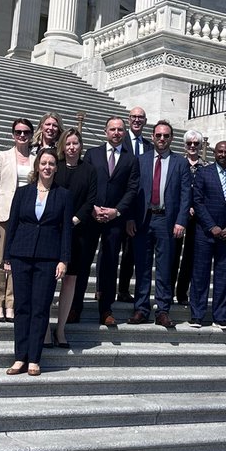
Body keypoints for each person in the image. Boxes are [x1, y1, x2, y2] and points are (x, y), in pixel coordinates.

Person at [3, 149, 72, 377]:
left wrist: (63, 259)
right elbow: (12, 224)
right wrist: (7, 257)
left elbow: (65, 231)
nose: (47, 167)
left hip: (48, 258)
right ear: (37, 167)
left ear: (56, 167)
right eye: (43, 163)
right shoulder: (23, 193)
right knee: (22, 307)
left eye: (52, 163)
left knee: (41, 309)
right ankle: (19, 357)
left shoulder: (63, 195)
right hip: (21, 255)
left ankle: (34, 358)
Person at [75, 116, 140, 328]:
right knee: (82, 262)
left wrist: (117, 211)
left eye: (120, 130)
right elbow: (84, 182)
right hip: (91, 218)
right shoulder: (92, 154)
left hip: (114, 220)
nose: (116, 133)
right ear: (105, 131)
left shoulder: (131, 159)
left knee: (110, 264)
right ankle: (75, 306)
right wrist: (91, 207)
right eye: (112, 129)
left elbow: (132, 189)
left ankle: (106, 310)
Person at [129, 120, 191, 329]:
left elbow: (185, 194)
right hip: (144, 219)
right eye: (158, 135)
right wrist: (130, 217)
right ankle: (141, 308)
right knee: (142, 266)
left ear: (171, 138)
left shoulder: (180, 163)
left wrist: (181, 220)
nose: (162, 139)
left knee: (165, 268)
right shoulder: (142, 160)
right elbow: (133, 190)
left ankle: (163, 310)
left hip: (167, 219)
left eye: (166, 136)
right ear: (153, 137)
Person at [189, 140, 226, 329]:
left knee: (223, 276)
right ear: (214, 153)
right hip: (205, 233)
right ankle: (197, 315)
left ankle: (219, 315)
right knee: (200, 274)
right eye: (220, 151)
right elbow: (197, 201)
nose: (223, 154)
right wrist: (211, 226)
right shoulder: (204, 173)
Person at [0, 117, 34, 322]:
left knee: (17, 262)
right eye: (18, 132)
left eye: (26, 132)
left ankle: (11, 303)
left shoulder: (35, 158)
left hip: (26, 216)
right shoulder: (2, 156)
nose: (22, 135)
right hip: (4, 214)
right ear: (13, 134)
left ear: (31, 135)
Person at [53, 127, 97, 345]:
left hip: (78, 232)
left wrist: (74, 220)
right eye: (68, 143)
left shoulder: (89, 170)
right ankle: (44, 329)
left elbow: (91, 200)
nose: (72, 147)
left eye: (75, 144)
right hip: (52, 231)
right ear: (63, 145)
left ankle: (60, 329)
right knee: (48, 281)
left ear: (81, 146)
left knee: (70, 280)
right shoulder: (55, 167)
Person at [117, 105, 150, 302]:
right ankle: (102, 289)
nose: (137, 120)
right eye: (134, 117)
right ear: (128, 119)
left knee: (129, 251)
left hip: (137, 207)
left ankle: (122, 290)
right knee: (109, 251)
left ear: (145, 121)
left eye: (141, 117)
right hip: (117, 205)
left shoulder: (149, 145)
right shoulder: (121, 140)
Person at [171, 129, 203, 306]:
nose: (192, 146)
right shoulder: (177, 164)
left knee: (189, 257)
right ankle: (168, 290)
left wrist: (195, 208)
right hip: (178, 216)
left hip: (196, 219)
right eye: (189, 143)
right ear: (184, 145)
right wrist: (185, 208)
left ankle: (182, 292)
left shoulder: (204, 167)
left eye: (196, 143)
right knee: (173, 255)